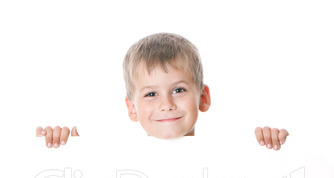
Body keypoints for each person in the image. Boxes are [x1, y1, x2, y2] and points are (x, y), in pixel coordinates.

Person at [36, 33, 289, 148]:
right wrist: (62, 143)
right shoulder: (114, 159)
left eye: (178, 90)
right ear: (132, 108)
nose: (166, 104)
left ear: (203, 97)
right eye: (151, 94)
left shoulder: (229, 154)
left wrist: (272, 143)